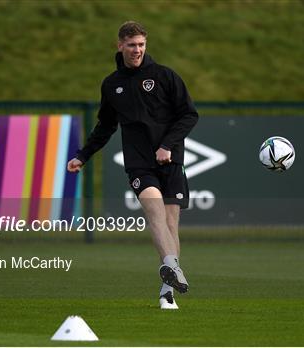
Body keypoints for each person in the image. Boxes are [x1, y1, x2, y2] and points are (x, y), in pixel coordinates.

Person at [67, 21, 198, 309]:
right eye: (131, 45)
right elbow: (105, 126)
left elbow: (189, 115)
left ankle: (167, 289)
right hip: (140, 164)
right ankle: (173, 269)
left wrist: (167, 146)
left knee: (171, 222)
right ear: (120, 46)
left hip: (171, 159)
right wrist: (83, 155)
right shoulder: (112, 85)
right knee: (155, 215)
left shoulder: (165, 76)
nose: (137, 50)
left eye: (141, 44)